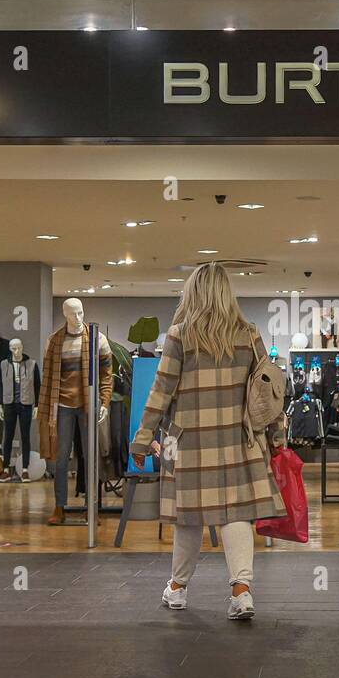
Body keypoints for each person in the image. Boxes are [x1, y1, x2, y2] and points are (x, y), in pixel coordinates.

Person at [130, 262, 285, 621]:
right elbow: (267, 391)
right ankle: (241, 592)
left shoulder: (180, 334)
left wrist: (142, 440)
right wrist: (277, 436)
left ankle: (178, 588)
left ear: (194, 292)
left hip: (189, 442)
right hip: (238, 440)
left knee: (189, 517)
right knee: (236, 514)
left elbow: (161, 392)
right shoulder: (248, 334)